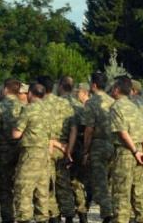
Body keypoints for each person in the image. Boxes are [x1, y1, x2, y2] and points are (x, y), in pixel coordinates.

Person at [107, 76, 143, 223]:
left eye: (113, 88)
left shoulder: (116, 107)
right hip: (140, 151)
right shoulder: (135, 106)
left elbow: (122, 132)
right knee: (139, 194)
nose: (111, 90)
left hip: (126, 152)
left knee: (121, 193)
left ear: (117, 90)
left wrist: (134, 151)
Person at [12, 82, 55, 223]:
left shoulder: (29, 109)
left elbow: (16, 134)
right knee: (42, 192)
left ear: (30, 93)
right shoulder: (49, 109)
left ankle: (24, 219)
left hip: (31, 155)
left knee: (23, 190)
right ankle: (42, 219)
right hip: (45, 155)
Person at [38, 74, 75, 223]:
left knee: (48, 185)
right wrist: (69, 151)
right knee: (64, 184)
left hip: (46, 149)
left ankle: (54, 216)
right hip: (63, 148)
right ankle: (69, 217)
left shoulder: (37, 105)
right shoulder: (65, 103)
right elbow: (73, 129)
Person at [0, 78, 24, 223]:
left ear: (5, 89)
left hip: (3, 152)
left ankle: (8, 218)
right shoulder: (24, 107)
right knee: (18, 186)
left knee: (4, 188)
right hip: (20, 152)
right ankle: (21, 216)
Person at [82, 70, 114, 223]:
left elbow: (89, 129)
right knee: (112, 181)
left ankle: (107, 215)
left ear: (94, 85)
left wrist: (86, 149)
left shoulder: (91, 102)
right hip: (114, 144)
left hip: (98, 145)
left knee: (100, 182)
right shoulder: (113, 100)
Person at [65, 82, 90, 223]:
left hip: (72, 146)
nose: (76, 93)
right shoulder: (81, 107)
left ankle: (74, 213)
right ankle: (81, 213)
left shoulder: (75, 106)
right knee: (76, 182)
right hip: (78, 146)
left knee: (71, 181)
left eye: (78, 91)